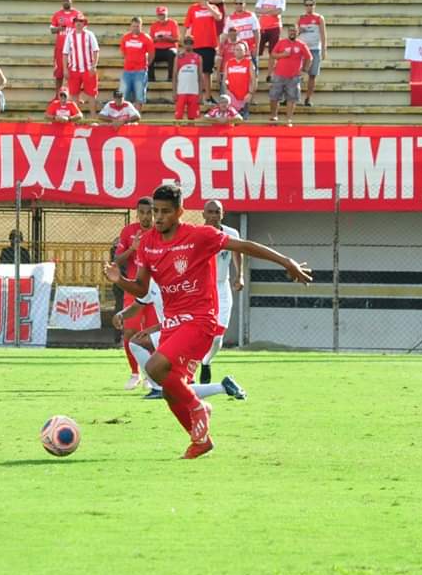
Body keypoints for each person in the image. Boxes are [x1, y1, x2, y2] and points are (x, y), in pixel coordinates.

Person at [104, 183, 311, 459]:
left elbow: (245, 246)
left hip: (201, 320)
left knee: (154, 367)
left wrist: (286, 262)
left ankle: (199, 407)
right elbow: (141, 288)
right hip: (173, 323)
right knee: (170, 389)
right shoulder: (149, 243)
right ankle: (200, 440)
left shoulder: (200, 236)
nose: (158, 217)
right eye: (155, 211)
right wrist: (121, 281)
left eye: (165, 211)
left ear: (180, 212)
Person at [113, 278, 247, 402]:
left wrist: (153, 328)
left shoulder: (183, 284)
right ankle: (221, 387)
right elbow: (137, 305)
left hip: (186, 334)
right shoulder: (152, 282)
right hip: (169, 333)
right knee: (176, 386)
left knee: (175, 387)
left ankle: (162, 388)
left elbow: (186, 317)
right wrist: (121, 315)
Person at [109, 197, 156, 390]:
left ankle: (151, 374)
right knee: (129, 331)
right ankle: (135, 373)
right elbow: (117, 260)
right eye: (142, 212)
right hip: (134, 287)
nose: (146, 216)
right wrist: (132, 249)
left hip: (156, 289)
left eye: (149, 212)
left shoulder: (160, 231)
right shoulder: (128, 232)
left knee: (153, 334)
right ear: (137, 213)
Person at [199, 200, 244, 385]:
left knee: (218, 337)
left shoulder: (231, 234)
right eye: (210, 211)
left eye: (217, 211)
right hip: (201, 289)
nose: (214, 215)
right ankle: (191, 367)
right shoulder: (195, 234)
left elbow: (238, 252)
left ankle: (206, 362)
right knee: (199, 333)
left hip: (222, 286)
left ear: (222, 214)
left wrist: (239, 275)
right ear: (203, 214)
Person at [183, 0, 221, 104]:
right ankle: (195, 97)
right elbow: (186, 25)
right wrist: (182, 39)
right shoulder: (193, 8)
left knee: (207, 72)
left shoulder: (213, 7)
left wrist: (208, 6)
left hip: (209, 44)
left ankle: (208, 97)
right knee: (195, 72)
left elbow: (218, 17)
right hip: (196, 44)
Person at [269, 24, 312, 126]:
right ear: (288, 32)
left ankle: (288, 120)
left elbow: (309, 58)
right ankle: (274, 116)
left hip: (294, 77)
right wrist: (282, 55)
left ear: (298, 32)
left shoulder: (301, 44)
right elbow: (273, 55)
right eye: (290, 31)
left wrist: (304, 70)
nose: (292, 32)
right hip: (279, 74)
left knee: (291, 98)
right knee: (274, 97)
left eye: (294, 31)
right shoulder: (281, 42)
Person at [63, 13, 100, 119]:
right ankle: (77, 118)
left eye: (80, 21)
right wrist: (65, 69)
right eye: (76, 21)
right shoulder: (70, 36)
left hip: (88, 69)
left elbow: (96, 51)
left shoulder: (89, 34)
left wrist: (94, 66)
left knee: (92, 95)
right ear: (74, 23)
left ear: (84, 23)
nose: (78, 23)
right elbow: (65, 53)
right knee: (74, 95)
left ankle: (93, 118)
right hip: (74, 69)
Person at [255, 0, 286, 82]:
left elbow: (279, 11)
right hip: (262, 26)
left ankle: (269, 75)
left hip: (275, 27)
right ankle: (254, 72)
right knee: (257, 51)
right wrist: (270, 11)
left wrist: (265, 10)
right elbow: (257, 10)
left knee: (273, 52)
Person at [297, 0, 328, 107]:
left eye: (311, 5)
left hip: (315, 49)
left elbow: (324, 35)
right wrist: (298, 31)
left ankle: (308, 98)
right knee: (296, 74)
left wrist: (324, 50)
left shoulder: (319, 18)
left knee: (312, 75)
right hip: (302, 50)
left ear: (314, 6)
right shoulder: (300, 18)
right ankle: (293, 97)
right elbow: (295, 33)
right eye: (307, 5)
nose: (309, 7)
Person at [49, 0, 83, 93]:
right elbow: (51, 30)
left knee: (74, 74)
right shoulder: (57, 14)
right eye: (64, 1)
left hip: (74, 48)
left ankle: (74, 95)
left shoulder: (77, 14)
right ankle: (58, 96)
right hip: (60, 48)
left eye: (67, 0)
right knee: (59, 73)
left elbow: (83, 28)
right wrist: (59, 28)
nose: (66, 2)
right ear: (61, 1)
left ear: (71, 0)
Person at [118, 17, 155, 107]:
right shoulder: (125, 37)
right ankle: (125, 117)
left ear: (141, 26)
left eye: (137, 26)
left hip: (140, 71)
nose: (135, 28)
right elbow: (123, 52)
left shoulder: (146, 38)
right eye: (134, 26)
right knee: (122, 95)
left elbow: (152, 54)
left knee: (139, 97)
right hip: (127, 71)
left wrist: (146, 64)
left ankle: (136, 119)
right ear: (130, 26)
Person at [225, 0, 262, 69]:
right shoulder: (230, 18)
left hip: (251, 49)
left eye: (240, 3)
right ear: (234, 5)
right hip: (238, 50)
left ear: (244, 4)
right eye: (236, 3)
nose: (238, 5)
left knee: (253, 72)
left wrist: (257, 48)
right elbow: (226, 35)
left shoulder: (251, 15)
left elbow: (257, 32)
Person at [222, 42, 256, 119]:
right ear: (234, 51)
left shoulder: (249, 63)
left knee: (243, 121)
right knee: (231, 121)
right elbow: (224, 79)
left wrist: (250, 93)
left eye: (241, 50)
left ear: (245, 52)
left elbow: (253, 80)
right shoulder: (229, 63)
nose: (238, 51)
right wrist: (226, 90)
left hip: (244, 98)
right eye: (237, 49)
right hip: (231, 97)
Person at [173, 37, 203, 121]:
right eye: (186, 43)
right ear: (183, 44)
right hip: (181, 91)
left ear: (193, 45)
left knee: (192, 117)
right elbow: (174, 75)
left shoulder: (198, 57)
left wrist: (200, 94)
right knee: (178, 117)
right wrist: (174, 92)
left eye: (190, 43)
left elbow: (200, 76)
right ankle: (177, 133)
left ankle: (191, 133)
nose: (188, 45)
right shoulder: (178, 57)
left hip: (194, 91)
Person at [148, 6, 179, 82]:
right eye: (160, 15)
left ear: (167, 14)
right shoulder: (154, 25)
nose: (161, 17)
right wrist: (156, 39)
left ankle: (171, 78)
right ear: (157, 15)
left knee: (172, 53)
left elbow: (177, 39)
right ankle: (151, 78)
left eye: (163, 15)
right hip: (157, 49)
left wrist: (167, 38)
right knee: (148, 54)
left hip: (169, 49)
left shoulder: (173, 23)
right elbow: (150, 41)